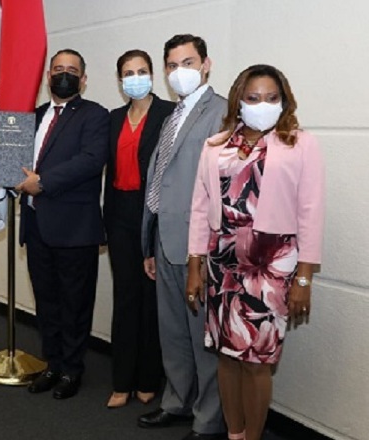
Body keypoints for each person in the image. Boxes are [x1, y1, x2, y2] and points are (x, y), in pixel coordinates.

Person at [187, 64, 325, 440]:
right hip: (222, 262)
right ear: (239, 101)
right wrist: (195, 266)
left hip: (272, 266)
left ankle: (253, 436)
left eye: (271, 98)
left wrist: (304, 278)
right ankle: (233, 433)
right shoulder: (215, 146)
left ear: (283, 101)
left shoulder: (300, 143)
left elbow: (311, 213)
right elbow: (201, 207)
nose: (261, 104)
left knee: (257, 361)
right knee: (227, 356)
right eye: (252, 98)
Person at [137, 34, 228, 440]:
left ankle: (209, 420)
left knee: (202, 337)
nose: (179, 73)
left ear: (206, 64)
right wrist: (150, 240)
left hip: (199, 247)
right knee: (172, 332)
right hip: (163, 238)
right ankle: (176, 401)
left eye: (187, 63)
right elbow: (164, 179)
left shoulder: (222, 112)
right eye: (172, 65)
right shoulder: (173, 114)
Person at [16, 48, 109, 400]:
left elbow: (90, 160)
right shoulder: (35, 116)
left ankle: (72, 370)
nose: (64, 74)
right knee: (47, 302)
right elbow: (18, 160)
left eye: (72, 70)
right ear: (48, 77)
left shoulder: (95, 116)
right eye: (58, 69)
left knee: (75, 304)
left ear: (83, 79)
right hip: (37, 225)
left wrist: (43, 182)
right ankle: (52, 364)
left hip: (74, 228)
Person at [103, 50, 175, 409]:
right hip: (119, 215)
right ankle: (121, 380)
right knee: (125, 297)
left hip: (153, 216)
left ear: (153, 75)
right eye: (128, 73)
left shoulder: (168, 114)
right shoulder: (114, 118)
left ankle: (148, 378)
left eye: (141, 71)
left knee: (151, 302)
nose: (135, 78)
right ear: (120, 81)